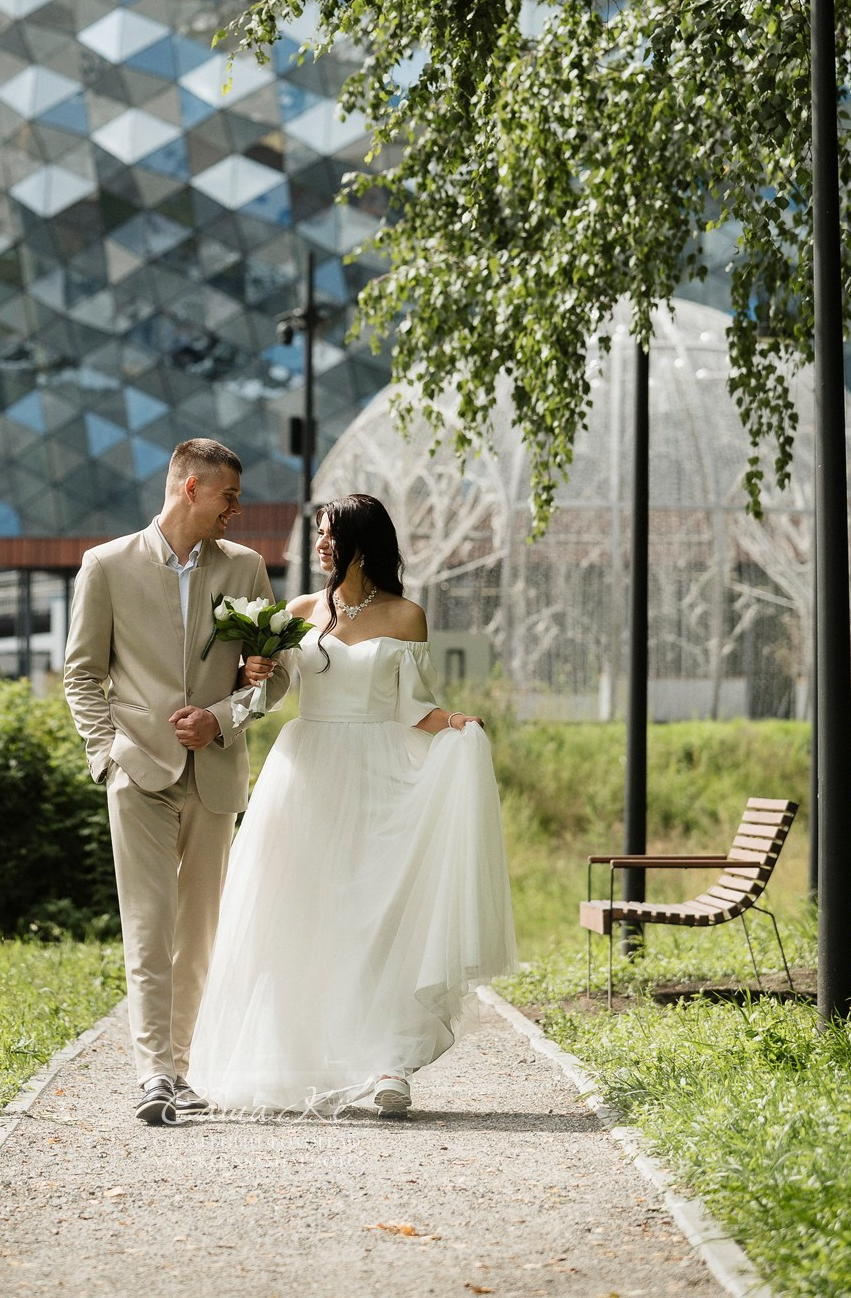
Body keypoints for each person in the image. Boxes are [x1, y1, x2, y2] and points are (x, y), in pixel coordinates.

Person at [188, 492, 517, 1117]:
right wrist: (252, 676)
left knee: (375, 912)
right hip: (306, 769)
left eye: (327, 534)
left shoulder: (405, 615)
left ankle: (388, 1062)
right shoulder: (299, 612)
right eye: (317, 533)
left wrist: (455, 724)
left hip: (379, 770)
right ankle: (299, 1055)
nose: (317, 545)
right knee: (303, 910)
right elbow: (270, 696)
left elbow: (410, 706)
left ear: (360, 543)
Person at [64, 438, 291, 1126]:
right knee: (148, 923)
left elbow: (272, 676)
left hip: (216, 773)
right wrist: (107, 755)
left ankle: (182, 1068)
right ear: (190, 487)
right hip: (138, 772)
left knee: (198, 931)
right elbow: (81, 674)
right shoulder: (104, 566)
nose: (236, 510)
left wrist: (223, 717)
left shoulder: (247, 569)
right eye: (229, 497)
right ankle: (153, 1071)